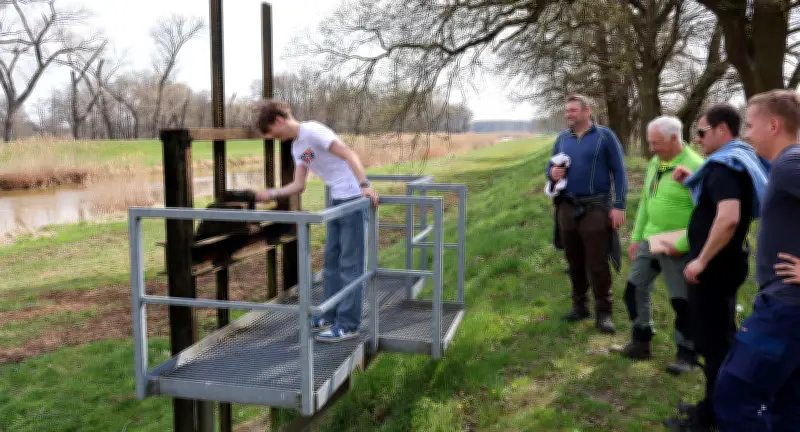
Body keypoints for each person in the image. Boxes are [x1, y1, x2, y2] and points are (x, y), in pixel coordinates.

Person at [662, 104, 768, 431]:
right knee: (720, 337)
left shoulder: (724, 166)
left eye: (702, 132)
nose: (698, 139)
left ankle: (713, 415)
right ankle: (715, 407)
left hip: (715, 269)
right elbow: (717, 206)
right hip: (729, 262)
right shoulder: (738, 161)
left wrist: (701, 259)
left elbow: (729, 217)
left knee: (714, 344)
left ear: (723, 129)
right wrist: (690, 182)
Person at [251, 99, 379, 343]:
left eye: (271, 132)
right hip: (336, 199)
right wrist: (271, 194)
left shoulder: (313, 131)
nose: (273, 137)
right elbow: (299, 185)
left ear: (279, 120)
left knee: (351, 263)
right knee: (331, 261)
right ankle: (330, 314)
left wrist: (365, 186)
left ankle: (348, 324)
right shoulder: (297, 147)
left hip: (352, 197)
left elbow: (348, 153)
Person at [712, 89, 800, 431]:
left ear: (774, 125)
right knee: (787, 403)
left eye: (749, 125)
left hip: (784, 311)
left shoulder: (789, 163)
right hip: (788, 308)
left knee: (736, 395)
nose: (745, 134)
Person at [609, 116, 703, 376]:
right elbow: (646, 203)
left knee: (681, 301)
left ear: (675, 138)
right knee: (634, 288)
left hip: (677, 244)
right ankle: (641, 341)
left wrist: (683, 244)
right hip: (651, 240)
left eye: (656, 143)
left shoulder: (696, 167)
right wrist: (637, 237)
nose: (652, 149)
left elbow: (705, 215)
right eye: (650, 143)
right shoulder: (655, 162)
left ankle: (688, 354)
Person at [545, 94, 628, 334]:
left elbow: (620, 172)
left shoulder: (605, 137)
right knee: (574, 260)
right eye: (566, 111)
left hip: (596, 207)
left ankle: (605, 313)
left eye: (573, 110)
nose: (568, 114)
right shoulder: (562, 139)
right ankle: (580, 306)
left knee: (598, 262)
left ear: (587, 111)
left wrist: (619, 205)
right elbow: (549, 168)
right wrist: (552, 174)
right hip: (567, 207)